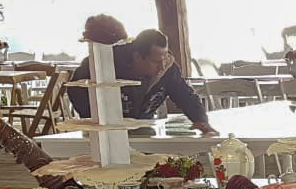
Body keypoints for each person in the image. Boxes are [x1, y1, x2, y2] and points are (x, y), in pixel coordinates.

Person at [67, 15, 218, 137]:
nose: (162, 66)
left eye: (165, 58)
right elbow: (75, 89)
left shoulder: (168, 67)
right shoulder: (105, 61)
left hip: (143, 127)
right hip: (103, 132)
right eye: (155, 61)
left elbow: (185, 95)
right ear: (137, 57)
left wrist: (201, 120)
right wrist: (94, 116)